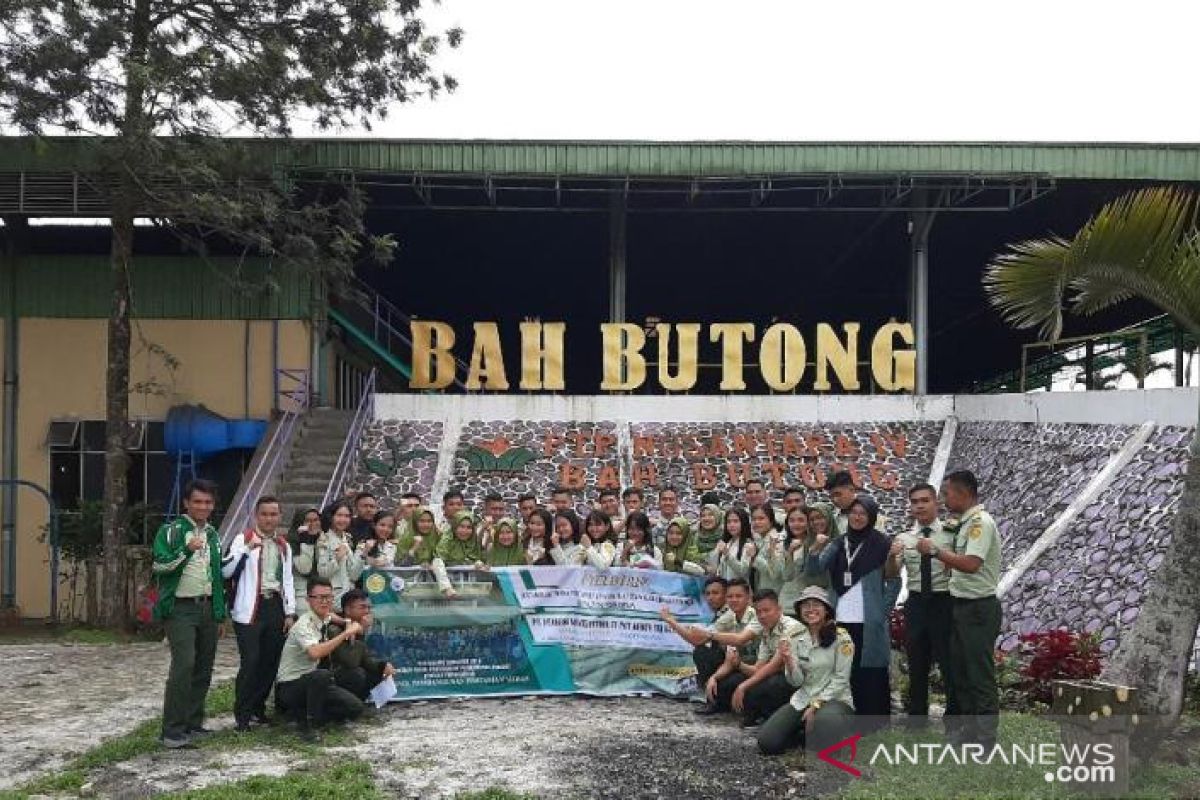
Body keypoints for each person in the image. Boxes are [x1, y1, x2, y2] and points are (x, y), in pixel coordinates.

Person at [918, 470, 1001, 747]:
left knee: (979, 675)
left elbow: (971, 564)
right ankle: (968, 732)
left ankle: (986, 739)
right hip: (961, 605)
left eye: (947, 493)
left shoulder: (980, 523)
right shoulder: (964, 523)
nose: (944, 499)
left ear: (963, 493)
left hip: (978, 607)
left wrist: (935, 551)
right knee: (961, 673)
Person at [809, 494, 902, 724]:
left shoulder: (882, 543)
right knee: (843, 670)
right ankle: (845, 721)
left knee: (870, 672)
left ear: (871, 517)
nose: (857, 517)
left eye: (863, 513)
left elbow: (894, 580)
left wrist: (883, 609)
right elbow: (815, 570)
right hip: (840, 617)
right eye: (854, 513)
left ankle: (875, 724)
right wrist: (814, 549)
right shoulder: (839, 542)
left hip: (869, 619)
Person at [152, 479, 227, 749]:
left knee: (204, 667)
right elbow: (159, 566)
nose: (203, 507)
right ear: (186, 503)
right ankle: (171, 730)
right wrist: (186, 550)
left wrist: (220, 613)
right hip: (180, 608)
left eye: (208, 502)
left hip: (208, 607)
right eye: (197, 501)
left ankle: (193, 723)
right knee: (184, 664)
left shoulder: (214, 534)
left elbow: (217, 576)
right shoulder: (171, 531)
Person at [224, 496, 297, 732]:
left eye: (273, 514)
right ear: (256, 516)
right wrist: (246, 550)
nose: (269, 518)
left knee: (270, 662)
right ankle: (242, 716)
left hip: (274, 606)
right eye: (264, 514)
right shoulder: (242, 539)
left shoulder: (283, 545)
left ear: (279, 517)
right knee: (251, 662)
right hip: (249, 609)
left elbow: (287, 580)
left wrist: (290, 612)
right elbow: (226, 571)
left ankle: (258, 709)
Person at [757, 586, 855, 756]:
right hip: (803, 698)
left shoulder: (842, 638)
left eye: (816, 604)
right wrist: (789, 661)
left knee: (825, 723)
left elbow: (841, 679)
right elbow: (796, 682)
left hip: (835, 699)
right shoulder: (795, 637)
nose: (811, 610)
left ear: (826, 610)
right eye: (805, 605)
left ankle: (830, 735)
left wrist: (817, 704)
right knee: (767, 743)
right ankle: (803, 734)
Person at [274, 577, 365, 742]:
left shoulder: (324, 617)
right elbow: (314, 653)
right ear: (308, 600)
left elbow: (332, 616)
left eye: (329, 597)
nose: (325, 601)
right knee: (322, 675)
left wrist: (348, 622)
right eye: (320, 597)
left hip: (314, 683)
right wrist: (346, 633)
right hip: (291, 686)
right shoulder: (304, 624)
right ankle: (310, 727)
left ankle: (302, 715)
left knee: (355, 706)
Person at [899, 482, 957, 729]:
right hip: (916, 603)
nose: (919, 506)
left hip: (944, 601)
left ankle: (955, 720)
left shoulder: (952, 532)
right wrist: (892, 557)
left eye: (924, 500)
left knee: (950, 663)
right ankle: (916, 721)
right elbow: (891, 573)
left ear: (937, 503)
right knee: (917, 663)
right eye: (915, 502)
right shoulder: (904, 538)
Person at [661, 576, 760, 716]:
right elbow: (699, 640)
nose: (733, 599)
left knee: (717, 665)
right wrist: (671, 621)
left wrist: (708, 635)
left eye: (738, 596)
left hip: (759, 666)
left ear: (748, 597)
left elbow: (738, 640)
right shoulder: (730, 616)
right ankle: (715, 700)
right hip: (739, 662)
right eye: (730, 596)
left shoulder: (755, 615)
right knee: (704, 652)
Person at [730, 589, 805, 728]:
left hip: (799, 679)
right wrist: (738, 664)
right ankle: (759, 715)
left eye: (766, 610)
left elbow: (774, 666)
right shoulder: (766, 631)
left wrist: (744, 686)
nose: (762, 616)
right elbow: (759, 668)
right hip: (779, 674)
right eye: (758, 612)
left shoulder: (791, 628)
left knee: (771, 683)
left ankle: (775, 719)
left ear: (779, 609)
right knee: (740, 681)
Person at [326, 588, 396, 701]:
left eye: (369, 607)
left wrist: (383, 666)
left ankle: (358, 703)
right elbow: (351, 661)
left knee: (380, 671)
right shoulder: (335, 629)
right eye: (363, 607)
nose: (367, 611)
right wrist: (361, 630)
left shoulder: (357, 625)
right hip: (332, 677)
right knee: (357, 674)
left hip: (349, 673)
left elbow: (365, 658)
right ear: (348, 610)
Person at [317, 500, 363, 607]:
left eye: (347, 516)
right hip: (332, 599)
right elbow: (323, 573)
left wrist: (362, 554)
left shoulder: (347, 539)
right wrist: (337, 559)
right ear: (331, 517)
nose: (343, 520)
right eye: (339, 515)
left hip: (349, 598)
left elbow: (354, 575)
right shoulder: (324, 540)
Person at [776, 506, 819, 614]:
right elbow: (786, 576)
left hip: (811, 601)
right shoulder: (782, 545)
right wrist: (790, 552)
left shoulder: (816, 543)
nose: (796, 524)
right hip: (787, 602)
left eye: (801, 520)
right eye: (792, 520)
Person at [433, 511, 486, 598]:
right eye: (461, 526)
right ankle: (447, 589)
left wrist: (478, 563)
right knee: (437, 561)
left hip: (465, 581)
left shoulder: (473, 540)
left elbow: (475, 558)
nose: (465, 531)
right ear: (454, 527)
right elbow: (438, 558)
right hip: (442, 580)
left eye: (469, 527)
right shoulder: (447, 539)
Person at [709, 506, 755, 581]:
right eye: (729, 522)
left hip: (739, 589)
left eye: (736, 521)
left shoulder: (748, 544)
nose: (731, 525)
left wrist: (727, 554)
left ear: (744, 523)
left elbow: (743, 571)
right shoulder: (727, 543)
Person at [289, 507, 322, 600]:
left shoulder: (323, 539)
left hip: (321, 592)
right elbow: (305, 569)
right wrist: (306, 539)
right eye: (307, 521)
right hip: (302, 594)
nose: (313, 524)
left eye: (316, 520)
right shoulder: (292, 541)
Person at [751, 503, 785, 593]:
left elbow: (775, 572)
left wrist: (754, 557)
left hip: (774, 594)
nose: (757, 522)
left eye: (761, 518)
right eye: (754, 519)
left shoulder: (777, 540)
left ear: (771, 521)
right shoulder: (759, 541)